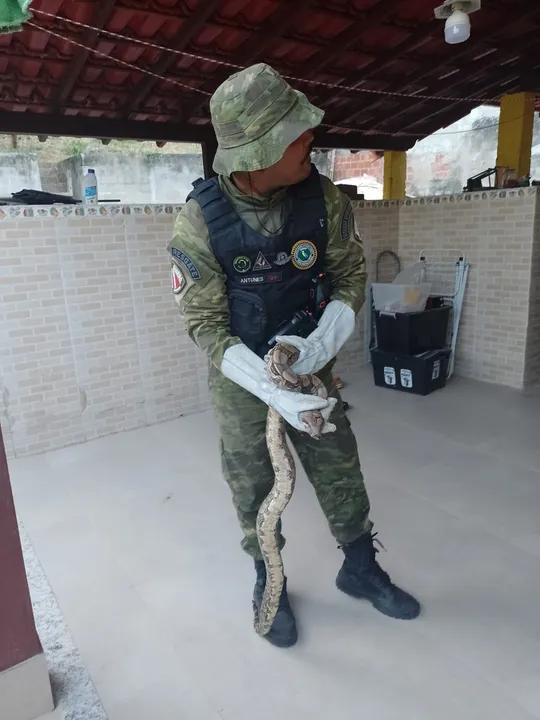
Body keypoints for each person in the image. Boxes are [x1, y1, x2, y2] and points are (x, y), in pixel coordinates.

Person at [168, 63, 420, 648]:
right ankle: (269, 578)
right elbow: (203, 324)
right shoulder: (199, 220)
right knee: (253, 482)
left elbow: (351, 276)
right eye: (296, 134)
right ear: (258, 153)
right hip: (240, 377)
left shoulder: (324, 199)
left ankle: (360, 567)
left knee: (339, 464)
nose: (312, 139)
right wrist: (269, 386)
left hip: (309, 364)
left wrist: (319, 344)